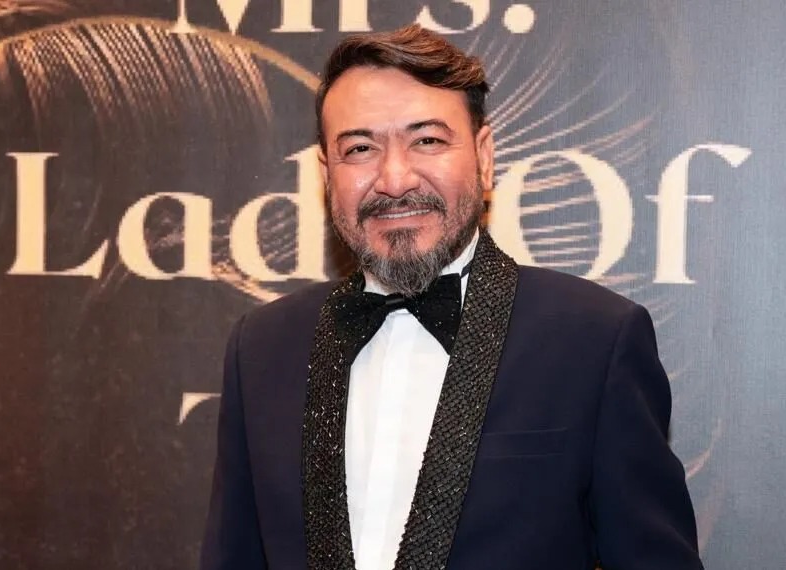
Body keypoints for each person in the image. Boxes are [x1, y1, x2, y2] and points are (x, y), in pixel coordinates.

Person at [200, 25, 704, 570]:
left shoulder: (595, 340)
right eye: (360, 148)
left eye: (428, 141)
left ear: (483, 157)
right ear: (327, 173)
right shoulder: (261, 349)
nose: (395, 179)